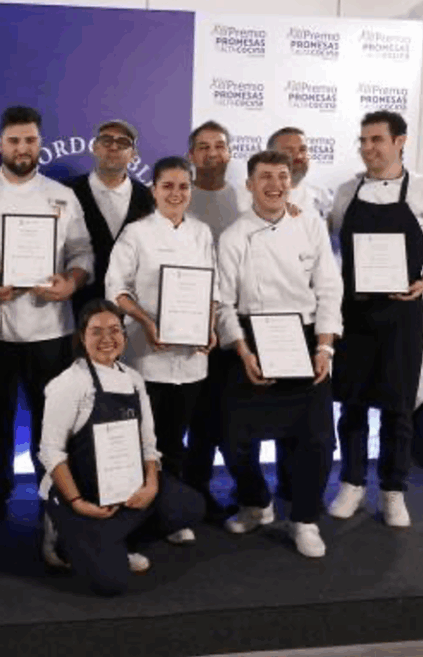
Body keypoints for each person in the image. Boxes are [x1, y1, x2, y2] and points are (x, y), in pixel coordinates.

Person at [0, 106, 94, 530]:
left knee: (51, 422)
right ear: (0, 144)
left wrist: (70, 283)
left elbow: (82, 253)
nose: (22, 148)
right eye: (14, 140)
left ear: (40, 144)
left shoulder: (62, 195)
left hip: (51, 328)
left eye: (30, 140)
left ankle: (51, 496)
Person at [327, 110, 423, 528]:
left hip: (403, 312)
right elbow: (331, 246)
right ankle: (351, 483)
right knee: (352, 403)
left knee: (398, 407)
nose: (368, 148)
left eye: (377, 140)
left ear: (400, 141)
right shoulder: (346, 192)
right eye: (363, 141)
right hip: (354, 312)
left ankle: (393, 490)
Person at [216, 150, 342, 558]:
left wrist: (325, 346)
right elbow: (223, 303)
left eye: (282, 176)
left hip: (303, 336)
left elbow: (329, 289)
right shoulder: (234, 236)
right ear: (250, 185)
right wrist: (242, 350)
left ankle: (304, 519)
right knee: (233, 438)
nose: (275, 184)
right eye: (266, 177)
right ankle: (256, 501)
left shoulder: (310, 225)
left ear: (291, 181)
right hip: (252, 337)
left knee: (318, 439)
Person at [39, 299, 205, 595]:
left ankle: (119, 537)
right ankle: (61, 532)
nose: (107, 338)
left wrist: (151, 484)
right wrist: (77, 502)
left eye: (115, 330)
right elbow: (51, 453)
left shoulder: (133, 379)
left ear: (125, 336)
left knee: (188, 506)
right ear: (82, 338)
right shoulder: (69, 384)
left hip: (123, 487)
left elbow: (148, 443)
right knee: (110, 583)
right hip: (78, 491)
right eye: (96, 331)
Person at [105, 156, 217, 545]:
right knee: (142, 442)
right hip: (146, 354)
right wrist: (146, 320)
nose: (176, 193)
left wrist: (209, 326)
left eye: (183, 186)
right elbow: (116, 288)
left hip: (191, 359)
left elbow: (213, 288)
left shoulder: (202, 232)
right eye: (167, 186)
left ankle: (172, 514)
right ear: (153, 190)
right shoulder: (136, 234)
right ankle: (134, 518)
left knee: (175, 440)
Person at [183, 120, 252, 521]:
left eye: (220, 146)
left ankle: (240, 489)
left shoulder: (245, 199)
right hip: (184, 323)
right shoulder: (178, 196)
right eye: (204, 147)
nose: (212, 154)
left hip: (233, 322)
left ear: (229, 153)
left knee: (225, 413)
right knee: (192, 414)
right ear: (191, 155)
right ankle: (191, 492)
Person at [266, 126, 336, 506]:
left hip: (309, 324)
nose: (298, 156)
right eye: (288, 150)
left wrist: (326, 343)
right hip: (265, 324)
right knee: (266, 413)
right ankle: (266, 494)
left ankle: (304, 500)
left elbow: (329, 278)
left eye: (303, 149)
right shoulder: (249, 206)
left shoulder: (321, 201)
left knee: (313, 423)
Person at [67, 119, 155, 320]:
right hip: (77, 310)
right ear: (95, 148)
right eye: (106, 140)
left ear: (133, 155)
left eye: (123, 142)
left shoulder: (149, 199)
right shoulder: (67, 192)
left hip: (133, 312)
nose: (113, 147)